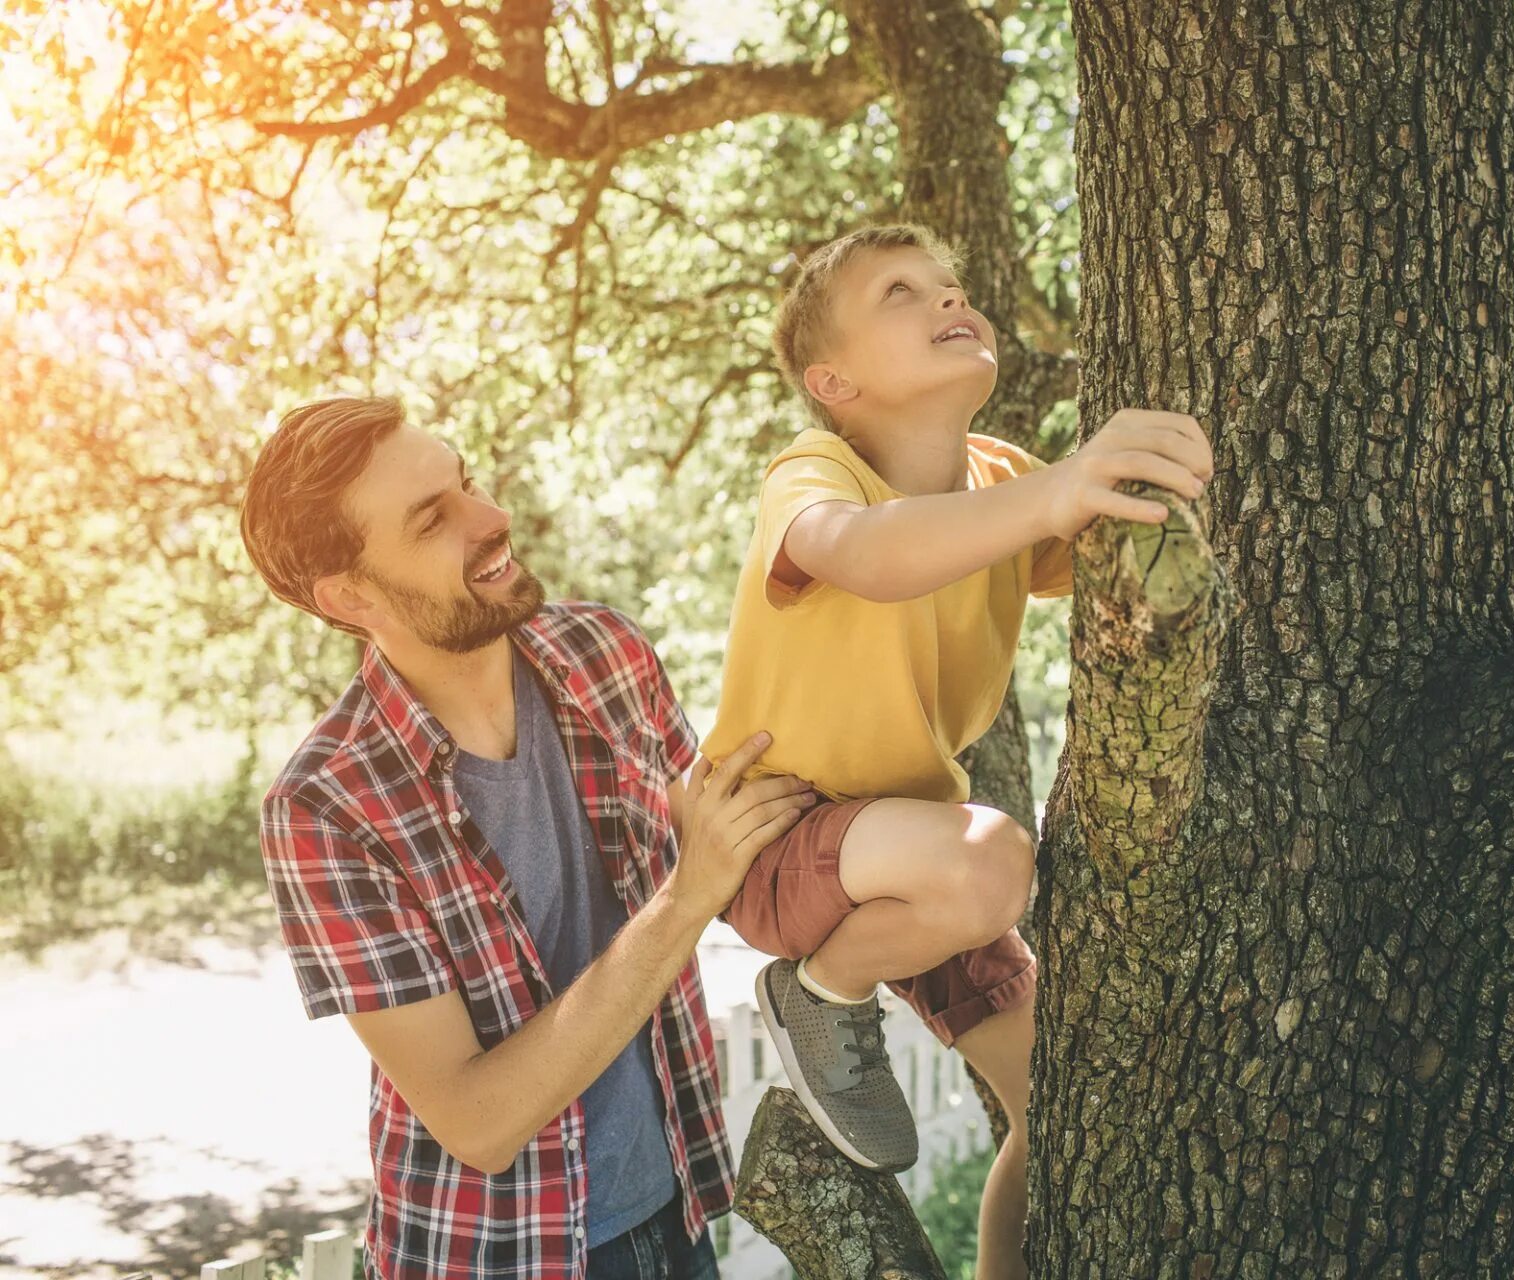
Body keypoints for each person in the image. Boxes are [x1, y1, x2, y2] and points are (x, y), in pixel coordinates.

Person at [700, 224, 1213, 1279]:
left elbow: (1108, 539)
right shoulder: (816, 471)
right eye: (902, 292)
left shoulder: (999, 476)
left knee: (1066, 1102)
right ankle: (824, 990)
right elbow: (867, 554)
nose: (948, 298)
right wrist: (1058, 490)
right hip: (787, 838)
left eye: (952, 284)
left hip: (916, 857)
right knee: (994, 859)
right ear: (831, 378)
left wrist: (1161, 482)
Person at [241, 396, 810, 1279]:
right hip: (496, 1256)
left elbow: (742, 857)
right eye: (435, 518)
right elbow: (479, 1123)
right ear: (351, 596)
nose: (493, 518)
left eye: (463, 482)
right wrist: (687, 894)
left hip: (679, 1210)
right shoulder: (327, 808)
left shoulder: (607, 651)